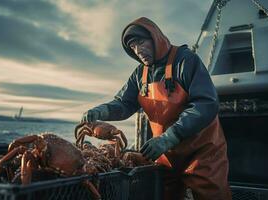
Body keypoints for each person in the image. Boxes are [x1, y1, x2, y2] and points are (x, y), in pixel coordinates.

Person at [81, 17, 232, 200]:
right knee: (162, 195)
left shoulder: (186, 61)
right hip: (165, 155)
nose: (138, 50)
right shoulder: (140, 73)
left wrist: (170, 137)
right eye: (133, 47)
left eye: (141, 42)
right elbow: (124, 103)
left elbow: (206, 103)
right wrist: (102, 111)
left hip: (202, 152)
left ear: (156, 38)